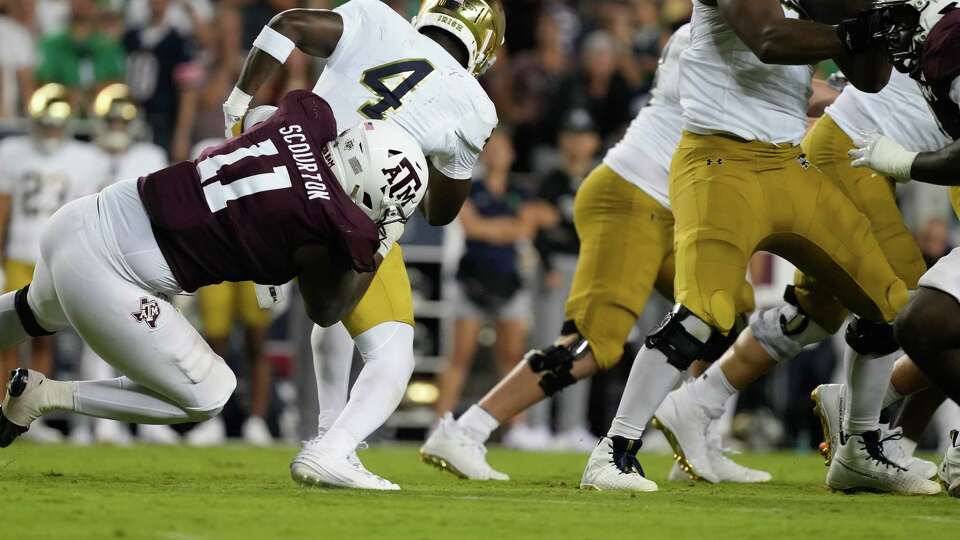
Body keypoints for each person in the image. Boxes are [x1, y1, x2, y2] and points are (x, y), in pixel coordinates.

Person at [579, 0, 940, 494]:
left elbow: (871, 80)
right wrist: (858, 31)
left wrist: (873, 29)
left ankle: (860, 448)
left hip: (789, 163)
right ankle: (613, 450)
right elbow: (768, 39)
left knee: (887, 304)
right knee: (704, 310)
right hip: (718, 160)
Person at [0, 91, 429, 482]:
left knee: (32, 313)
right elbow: (327, 310)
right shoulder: (327, 223)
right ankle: (45, 395)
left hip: (84, 216)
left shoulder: (306, 119)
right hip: (106, 270)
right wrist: (382, 238)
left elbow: (260, 114)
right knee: (209, 394)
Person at [420, 25, 766, 484]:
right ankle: (466, 430)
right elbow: (774, 99)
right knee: (593, 343)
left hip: (671, 205)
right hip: (635, 193)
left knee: (728, 307)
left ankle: (697, 439)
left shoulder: (731, 30)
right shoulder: (727, 31)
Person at [224, 0, 504, 489]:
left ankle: (328, 431)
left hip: (277, 177)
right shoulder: (474, 103)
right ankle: (334, 448)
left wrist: (237, 103)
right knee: (394, 355)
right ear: (483, 48)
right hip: (345, 215)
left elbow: (286, 24)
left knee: (333, 315)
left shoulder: (375, 17)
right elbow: (442, 214)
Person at [658, 67, 952, 483]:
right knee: (903, 298)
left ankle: (697, 402)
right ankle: (863, 442)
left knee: (813, 316)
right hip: (852, 153)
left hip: (856, 152)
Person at [844, 0, 960, 497]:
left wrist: (908, 161)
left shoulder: (951, 42)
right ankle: (892, 435)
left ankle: (875, 426)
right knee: (925, 320)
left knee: (923, 320)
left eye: (906, 22)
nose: (896, 38)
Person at [70, 83, 180, 446]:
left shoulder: (149, 154)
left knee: (153, 340)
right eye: (111, 119)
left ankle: (151, 421)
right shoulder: (82, 157)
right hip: (96, 256)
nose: (117, 125)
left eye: (122, 119)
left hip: (141, 260)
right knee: (98, 342)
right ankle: (98, 422)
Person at [0, 83, 110, 444]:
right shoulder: (12, 152)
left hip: (53, 261)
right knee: (7, 340)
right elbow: (3, 211)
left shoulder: (86, 158)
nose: (50, 128)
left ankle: (31, 415)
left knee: (43, 339)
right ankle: (5, 410)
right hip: (18, 253)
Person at [506, 109, 599, 452]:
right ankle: (538, 425)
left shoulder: (600, 178)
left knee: (584, 347)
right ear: (563, 141)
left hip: (590, 268)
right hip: (556, 267)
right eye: (571, 137)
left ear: (593, 142)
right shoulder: (552, 180)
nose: (576, 144)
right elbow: (533, 225)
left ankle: (573, 426)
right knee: (547, 343)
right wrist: (546, 260)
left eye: (583, 137)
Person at [433, 131, 537, 420]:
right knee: (459, 355)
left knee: (512, 356)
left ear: (512, 155)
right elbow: (470, 227)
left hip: (509, 279)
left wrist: (489, 227)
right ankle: (440, 423)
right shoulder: (469, 187)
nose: (496, 155)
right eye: (491, 149)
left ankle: (519, 429)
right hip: (471, 280)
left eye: (502, 149)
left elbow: (526, 228)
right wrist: (505, 228)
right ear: (482, 154)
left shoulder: (522, 190)